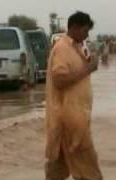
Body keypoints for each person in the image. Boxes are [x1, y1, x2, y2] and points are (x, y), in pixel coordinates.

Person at [45, 11, 103, 180]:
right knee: (90, 171)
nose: (87, 35)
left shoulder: (74, 47)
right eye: (85, 30)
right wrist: (89, 68)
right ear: (75, 28)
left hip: (71, 119)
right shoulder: (62, 48)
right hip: (70, 121)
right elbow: (59, 80)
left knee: (57, 169)